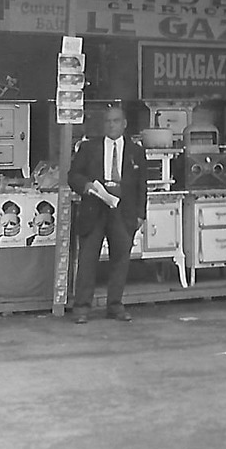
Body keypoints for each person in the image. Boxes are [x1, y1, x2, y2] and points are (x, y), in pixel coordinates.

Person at [68, 104, 148, 323]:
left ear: (124, 124)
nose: (111, 125)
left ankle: (115, 305)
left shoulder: (136, 150)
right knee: (87, 259)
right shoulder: (89, 148)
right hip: (94, 208)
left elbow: (142, 184)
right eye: (108, 121)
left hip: (124, 212)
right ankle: (82, 307)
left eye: (115, 121)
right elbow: (73, 175)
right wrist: (86, 186)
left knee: (120, 260)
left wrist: (141, 214)